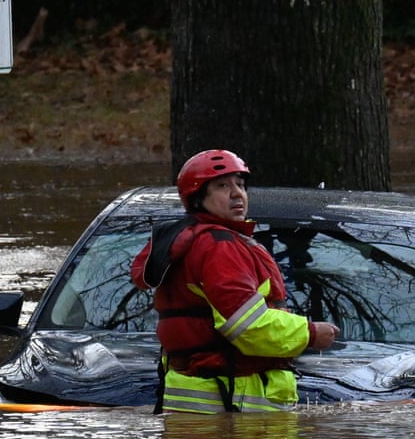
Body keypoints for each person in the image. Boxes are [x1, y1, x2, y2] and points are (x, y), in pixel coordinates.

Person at [130, 149, 340, 413]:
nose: (236, 193)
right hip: (232, 404)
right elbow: (246, 326)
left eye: (240, 185)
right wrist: (309, 333)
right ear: (198, 197)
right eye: (222, 186)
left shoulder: (197, 241)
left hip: (204, 405)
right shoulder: (219, 248)